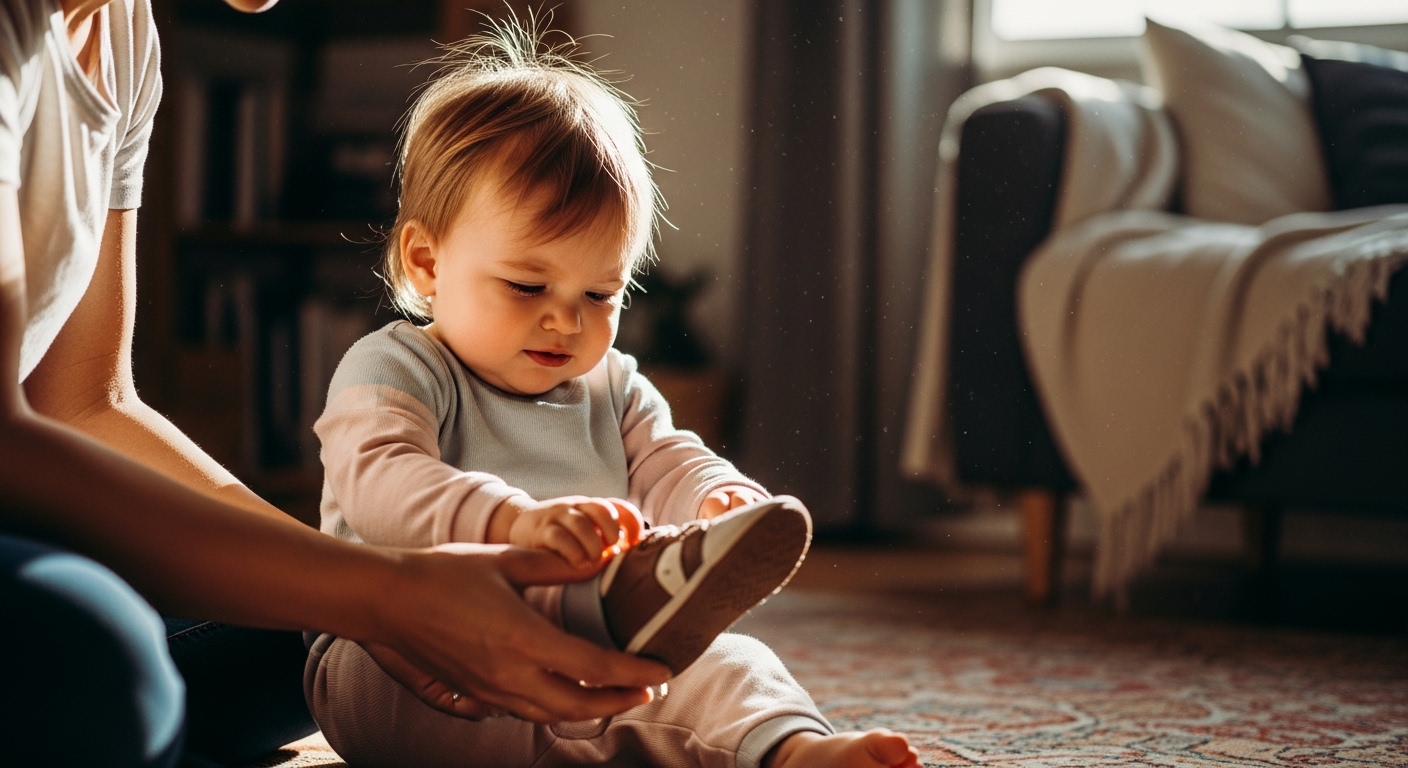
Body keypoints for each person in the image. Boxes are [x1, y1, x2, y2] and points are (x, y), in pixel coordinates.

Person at [0, 1, 671, 765]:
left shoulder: (123, 36)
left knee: (314, 647)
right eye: (525, 285)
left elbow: (86, 399)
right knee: (104, 665)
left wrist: (362, 593)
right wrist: (386, 594)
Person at [303, 21, 921, 768]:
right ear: (428, 263)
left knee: (728, 665)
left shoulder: (611, 382)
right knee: (449, 708)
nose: (566, 318)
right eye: (528, 284)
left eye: (602, 291)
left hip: (583, 642)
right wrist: (514, 524)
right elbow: (382, 487)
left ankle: (793, 750)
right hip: (408, 651)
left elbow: (667, 458)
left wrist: (715, 501)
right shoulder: (394, 367)